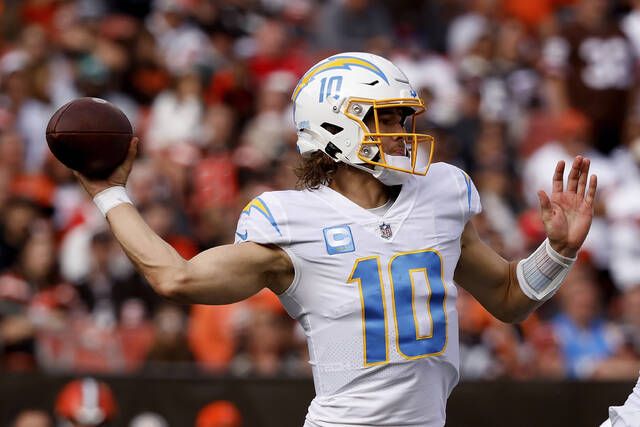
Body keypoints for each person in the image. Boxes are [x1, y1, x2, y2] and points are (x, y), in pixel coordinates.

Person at [73, 52, 597, 426]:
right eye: (384, 117)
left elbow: (508, 298)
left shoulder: (442, 192)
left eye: (402, 116)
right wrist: (111, 195)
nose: (400, 130)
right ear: (332, 125)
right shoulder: (290, 221)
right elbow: (176, 277)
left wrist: (558, 251)